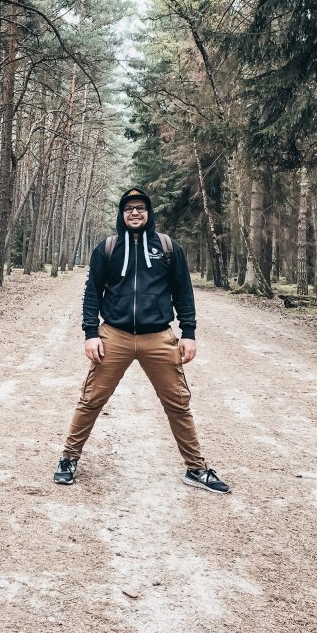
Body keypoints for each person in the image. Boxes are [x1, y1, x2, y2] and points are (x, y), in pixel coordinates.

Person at [53, 188, 230, 494]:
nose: (135, 213)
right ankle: (68, 458)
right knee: (92, 399)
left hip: (159, 337)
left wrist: (189, 333)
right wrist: (90, 334)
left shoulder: (167, 248)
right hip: (114, 337)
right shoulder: (107, 248)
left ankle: (197, 468)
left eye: (140, 208)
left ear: (149, 213)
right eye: (129, 209)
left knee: (178, 403)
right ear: (122, 215)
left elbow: (183, 292)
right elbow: (92, 294)